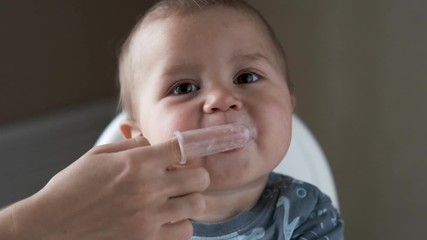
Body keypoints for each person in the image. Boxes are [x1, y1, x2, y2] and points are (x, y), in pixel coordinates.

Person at [0, 0, 344, 239]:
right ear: (138, 138)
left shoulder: (307, 213)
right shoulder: (125, 220)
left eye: (247, 77)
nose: (222, 99)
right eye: (184, 87)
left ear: (288, 104)